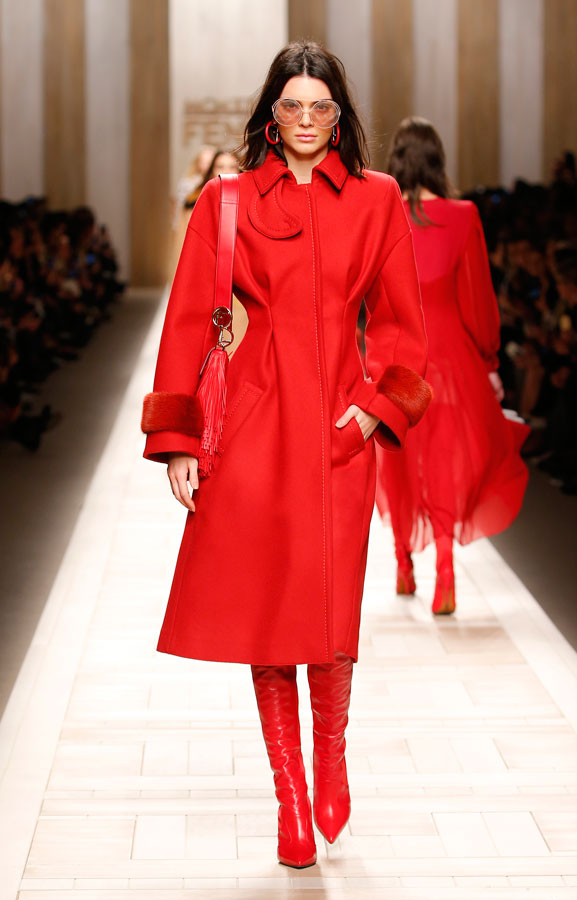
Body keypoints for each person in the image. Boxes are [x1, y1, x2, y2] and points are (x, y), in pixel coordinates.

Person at [141, 43, 430, 868]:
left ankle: (331, 753)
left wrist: (373, 415)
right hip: (256, 436)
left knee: (331, 615)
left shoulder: (376, 201)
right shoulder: (225, 202)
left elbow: (406, 325)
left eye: (323, 109)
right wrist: (181, 443)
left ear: (341, 118)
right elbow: (191, 319)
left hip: (341, 434)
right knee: (271, 619)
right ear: (272, 113)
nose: (307, 122)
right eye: (293, 107)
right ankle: (291, 801)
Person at [377, 117, 529, 615]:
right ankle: (444, 567)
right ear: (438, 160)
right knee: (444, 459)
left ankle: (403, 562)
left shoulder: (382, 215)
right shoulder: (463, 215)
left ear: (397, 160)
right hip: (450, 357)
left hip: (398, 354)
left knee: (399, 458)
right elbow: (478, 300)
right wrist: (487, 357)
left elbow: (370, 297)